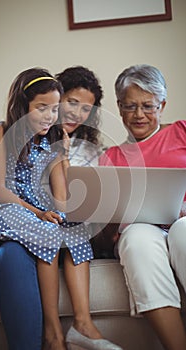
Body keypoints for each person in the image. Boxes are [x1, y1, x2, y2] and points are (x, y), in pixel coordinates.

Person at [0, 66, 122, 350]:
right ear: (24, 105)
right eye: (45, 107)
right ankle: (53, 332)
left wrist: (64, 158)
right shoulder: (3, 133)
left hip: (32, 215)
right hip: (5, 209)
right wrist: (37, 214)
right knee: (40, 232)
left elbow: (63, 201)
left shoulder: (64, 144)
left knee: (72, 230)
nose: (56, 115)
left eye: (54, 109)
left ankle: (79, 326)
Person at [99, 64, 186, 350]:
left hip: (183, 222)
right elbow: (104, 228)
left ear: (163, 105)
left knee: (181, 233)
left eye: (148, 106)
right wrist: (110, 217)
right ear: (119, 107)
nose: (139, 115)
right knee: (136, 239)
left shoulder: (182, 132)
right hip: (139, 227)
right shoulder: (111, 157)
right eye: (130, 106)